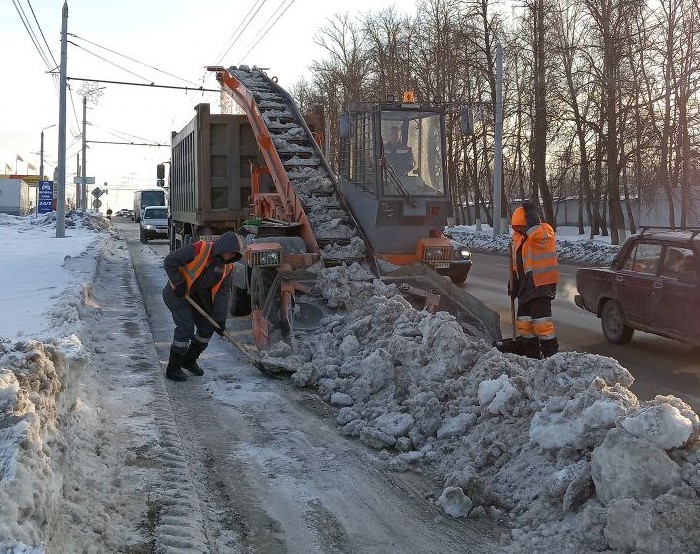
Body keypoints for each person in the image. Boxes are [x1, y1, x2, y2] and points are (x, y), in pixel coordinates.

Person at [162, 231, 243, 381]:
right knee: (186, 328)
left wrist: (219, 320)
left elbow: (222, 293)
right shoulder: (200, 249)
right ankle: (173, 368)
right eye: (231, 252)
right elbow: (170, 261)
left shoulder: (227, 268)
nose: (232, 257)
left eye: (235, 254)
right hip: (178, 294)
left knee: (207, 328)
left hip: (197, 299)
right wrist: (178, 283)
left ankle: (189, 360)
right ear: (223, 247)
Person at [508, 202, 559, 359]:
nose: (518, 231)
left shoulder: (544, 232)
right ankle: (532, 358)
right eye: (516, 229)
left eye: (520, 227)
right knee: (524, 325)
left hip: (540, 285)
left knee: (542, 325)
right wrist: (513, 282)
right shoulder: (520, 239)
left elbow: (535, 232)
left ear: (528, 223)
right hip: (526, 288)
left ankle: (552, 359)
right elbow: (517, 265)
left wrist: (531, 213)